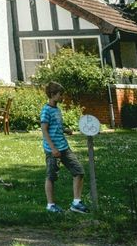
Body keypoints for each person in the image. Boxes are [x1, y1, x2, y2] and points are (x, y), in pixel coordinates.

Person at [41, 82, 89, 214]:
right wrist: (53, 149)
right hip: (53, 150)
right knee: (51, 176)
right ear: (52, 95)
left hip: (64, 147)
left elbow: (55, 126)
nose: (62, 97)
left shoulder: (57, 109)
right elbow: (44, 130)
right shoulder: (46, 110)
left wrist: (65, 129)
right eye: (60, 94)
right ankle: (50, 205)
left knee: (79, 171)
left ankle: (76, 203)